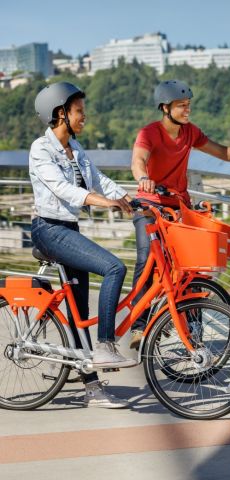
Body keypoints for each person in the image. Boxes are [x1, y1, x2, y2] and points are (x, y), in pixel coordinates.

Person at [129, 79, 230, 349]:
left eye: (188, 105)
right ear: (165, 108)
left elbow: (221, 151)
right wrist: (144, 178)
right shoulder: (149, 133)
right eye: (181, 106)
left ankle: (192, 325)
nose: (187, 111)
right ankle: (138, 324)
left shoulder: (190, 133)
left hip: (178, 206)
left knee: (189, 267)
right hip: (150, 206)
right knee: (147, 258)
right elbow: (138, 160)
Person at [29, 82, 136, 408]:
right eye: (78, 111)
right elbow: (63, 189)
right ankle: (104, 345)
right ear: (60, 113)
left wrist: (126, 197)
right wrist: (101, 202)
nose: (84, 117)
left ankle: (92, 388)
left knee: (78, 313)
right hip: (48, 230)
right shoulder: (41, 149)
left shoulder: (75, 149)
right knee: (114, 267)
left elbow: (99, 178)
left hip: (68, 230)